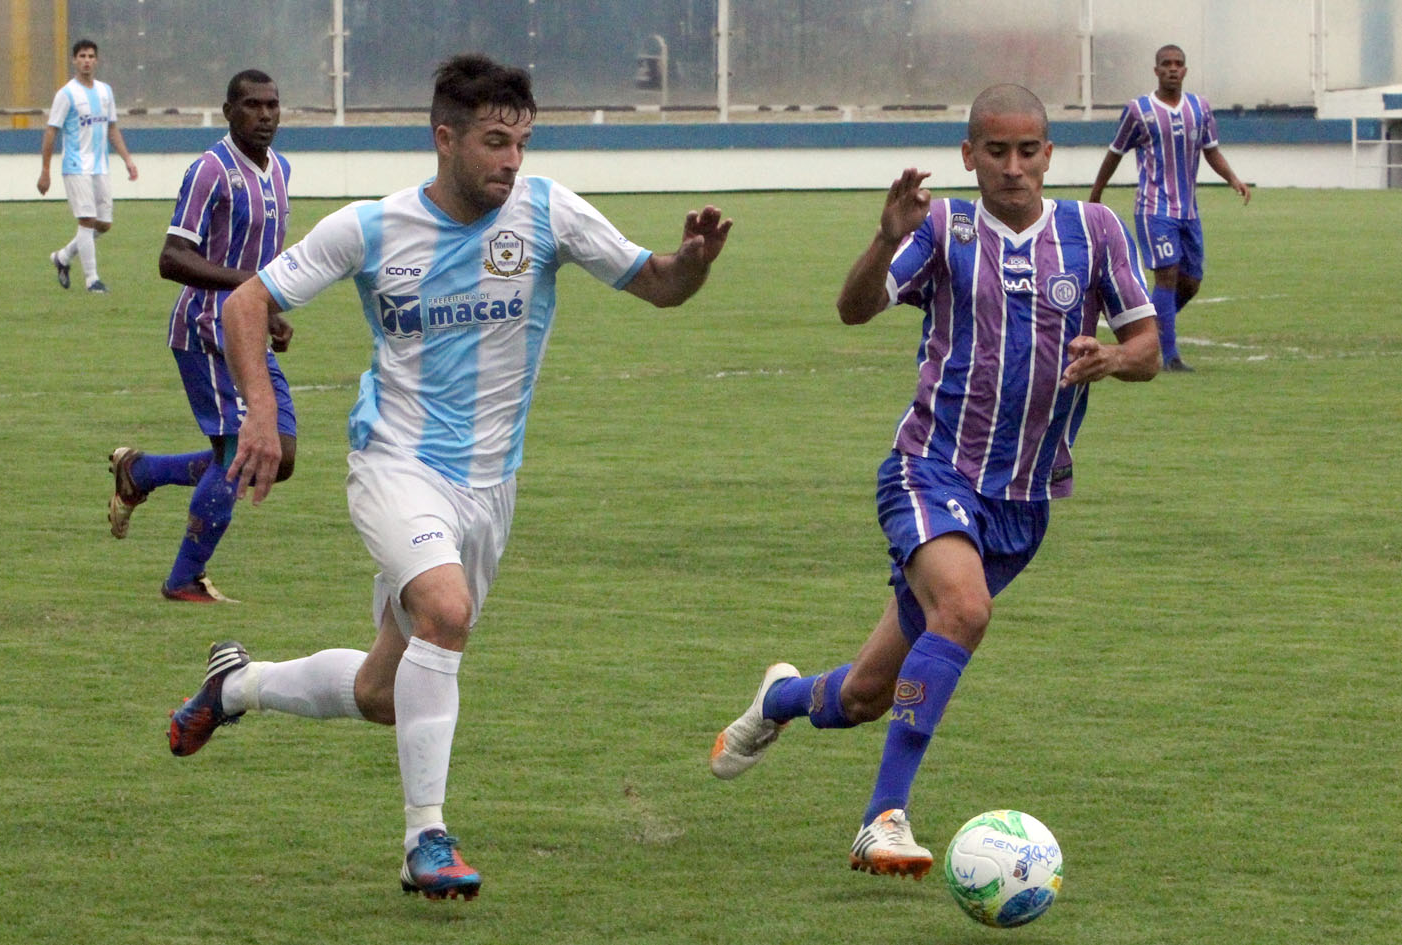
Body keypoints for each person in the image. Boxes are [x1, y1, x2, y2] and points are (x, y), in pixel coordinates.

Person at [166, 53, 732, 901]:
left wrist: (692, 260)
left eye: (522, 143)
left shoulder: (548, 212)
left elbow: (659, 285)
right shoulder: (372, 227)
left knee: (384, 691)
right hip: (395, 464)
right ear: (445, 138)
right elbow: (247, 300)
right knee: (445, 612)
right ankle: (424, 838)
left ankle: (237, 684)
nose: (511, 161)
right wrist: (256, 410)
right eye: (495, 142)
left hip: (489, 487)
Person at [709, 85, 1159, 879]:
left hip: (1020, 501)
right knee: (963, 607)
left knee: (865, 695)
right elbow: (852, 309)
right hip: (929, 469)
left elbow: (1147, 345)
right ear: (968, 155)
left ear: (1049, 155)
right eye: (996, 151)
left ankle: (778, 700)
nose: (1012, 168)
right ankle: (881, 817)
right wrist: (883, 240)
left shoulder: (1095, 232)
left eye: (1028, 152)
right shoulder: (943, 228)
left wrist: (1112, 358)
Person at [107, 70, 295, 603]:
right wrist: (252, 288)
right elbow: (172, 258)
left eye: (273, 105)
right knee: (240, 452)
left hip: (247, 330)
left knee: (279, 459)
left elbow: (261, 260)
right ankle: (184, 579)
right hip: (206, 332)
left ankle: (140, 472)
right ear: (229, 110)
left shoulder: (280, 170)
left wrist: (269, 310)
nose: (265, 115)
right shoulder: (210, 170)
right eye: (252, 105)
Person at [1087, 43, 1250, 372]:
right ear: (1156, 70)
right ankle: (1170, 356)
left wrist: (1233, 178)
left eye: (1178, 64)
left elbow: (1211, 150)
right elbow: (1115, 152)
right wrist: (1097, 192)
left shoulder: (1199, 108)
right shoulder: (1139, 110)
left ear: (1185, 70)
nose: (1172, 69)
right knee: (1167, 275)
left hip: (1188, 210)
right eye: (1166, 64)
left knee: (1190, 282)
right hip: (1154, 208)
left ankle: (1148, 331)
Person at [37, 38, 139, 294]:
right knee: (87, 220)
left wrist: (127, 159)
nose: (86, 60)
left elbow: (112, 128)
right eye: (82, 56)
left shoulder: (105, 92)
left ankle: (62, 257)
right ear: (74, 60)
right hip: (75, 166)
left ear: (97, 60)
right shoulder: (66, 94)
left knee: (103, 224)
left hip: (100, 166)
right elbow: (51, 132)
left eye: (91, 56)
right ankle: (92, 280)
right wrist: (45, 170)